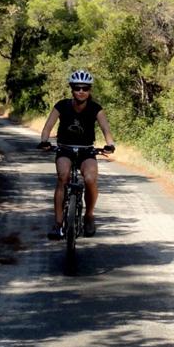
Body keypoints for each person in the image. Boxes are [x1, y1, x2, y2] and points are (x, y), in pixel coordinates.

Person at [38, 70, 115, 239]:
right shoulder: (61, 105)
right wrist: (44, 140)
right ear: (71, 89)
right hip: (65, 148)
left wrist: (110, 144)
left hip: (86, 150)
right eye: (77, 88)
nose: (81, 91)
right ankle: (58, 224)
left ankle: (89, 216)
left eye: (85, 88)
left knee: (90, 179)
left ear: (89, 90)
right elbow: (48, 127)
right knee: (63, 177)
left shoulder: (96, 108)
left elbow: (105, 128)